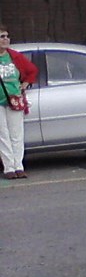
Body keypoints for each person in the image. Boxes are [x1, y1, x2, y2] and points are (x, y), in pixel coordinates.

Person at [0, 24, 39, 180]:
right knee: (3, 135)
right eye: (2, 37)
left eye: (7, 36)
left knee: (16, 134)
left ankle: (18, 166)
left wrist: (25, 84)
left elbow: (32, 70)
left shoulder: (15, 56)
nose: (6, 39)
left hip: (14, 100)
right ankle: (8, 167)